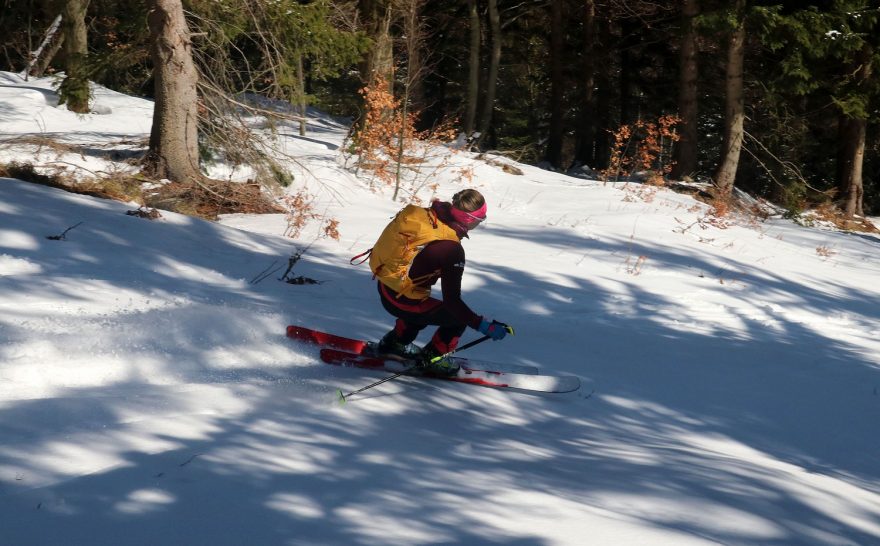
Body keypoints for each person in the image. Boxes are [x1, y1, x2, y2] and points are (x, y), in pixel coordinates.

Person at [364, 189, 509, 375]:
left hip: (386, 285)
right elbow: (452, 302)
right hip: (402, 301)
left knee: (422, 303)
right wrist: (481, 324)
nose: (480, 223)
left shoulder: (430, 218)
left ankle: (395, 344)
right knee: (457, 319)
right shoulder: (452, 250)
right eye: (481, 219)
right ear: (469, 220)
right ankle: (432, 359)